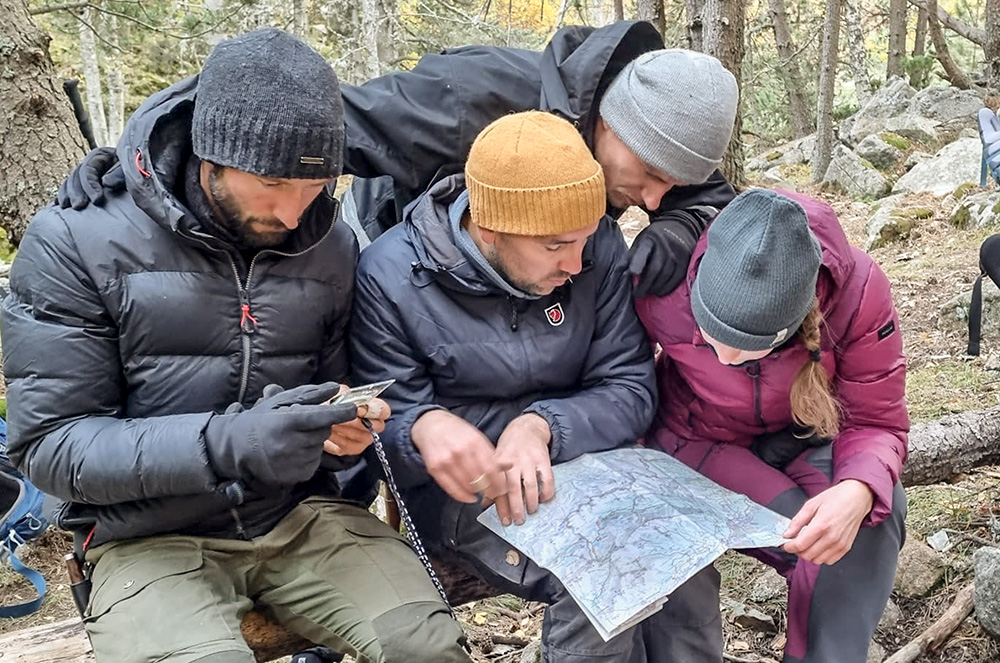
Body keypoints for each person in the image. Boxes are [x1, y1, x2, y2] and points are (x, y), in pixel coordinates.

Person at [1, 29, 468, 663]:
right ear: (210, 155)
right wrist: (231, 443)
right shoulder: (75, 241)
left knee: (427, 644)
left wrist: (333, 431)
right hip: (143, 537)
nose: (294, 211)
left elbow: (328, 394)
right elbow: (50, 447)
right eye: (272, 184)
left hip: (299, 517)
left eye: (317, 185)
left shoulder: (326, 244)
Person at [349, 110, 724, 663]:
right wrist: (421, 427)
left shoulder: (595, 249)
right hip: (468, 491)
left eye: (584, 240)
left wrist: (543, 425)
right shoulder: (393, 274)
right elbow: (383, 427)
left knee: (686, 559)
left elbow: (630, 385)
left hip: (588, 464)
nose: (575, 264)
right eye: (554, 246)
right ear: (491, 227)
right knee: (600, 574)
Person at [58, 20, 739, 299]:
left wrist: (653, 253)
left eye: (668, 182)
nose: (653, 198)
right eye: (648, 178)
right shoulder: (467, 101)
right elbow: (304, 115)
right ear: (608, 120)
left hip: (533, 273)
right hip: (403, 256)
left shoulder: (669, 137)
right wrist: (153, 143)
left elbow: (711, 203)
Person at [634, 188, 908, 663]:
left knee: (866, 521)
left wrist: (860, 488)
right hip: (698, 447)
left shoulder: (857, 292)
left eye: (749, 347)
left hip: (800, 438)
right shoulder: (664, 284)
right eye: (713, 338)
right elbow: (614, 374)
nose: (726, 358)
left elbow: (876, 420)